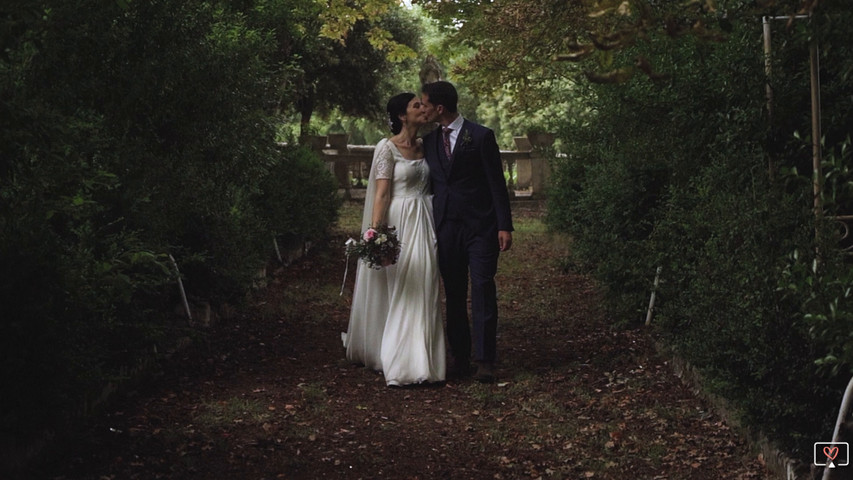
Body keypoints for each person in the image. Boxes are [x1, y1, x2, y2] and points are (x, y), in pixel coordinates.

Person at [342, 92, 446, 386]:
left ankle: (424, 357)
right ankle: (402, 361)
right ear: (402, 115)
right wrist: (376, 235)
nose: (422, 109)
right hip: (399, 220)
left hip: (424, 221)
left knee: (425, 283)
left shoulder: (428, 146)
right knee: (403, 284)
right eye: (416, 106)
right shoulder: (386, 149)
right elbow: (382, 193)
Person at [420, 81, 513, 383]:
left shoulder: (482, 136)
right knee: (455, 293)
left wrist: (504, 224)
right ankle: (460, 356)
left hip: (481, 227)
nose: (423, 109)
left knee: (483, 288)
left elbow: (496, 183)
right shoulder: (430, 141)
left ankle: (485, 360)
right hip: (446, 227)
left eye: (425, 104)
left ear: (440, 107)